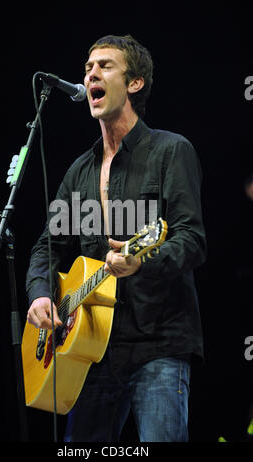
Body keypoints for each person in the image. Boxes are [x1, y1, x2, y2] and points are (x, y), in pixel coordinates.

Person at [26, 34, 207, 442]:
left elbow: (191, 239)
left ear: (135, 83)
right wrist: (39, 293)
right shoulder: (79, 171)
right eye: (88, 68)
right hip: (91, 349)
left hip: (156, 344)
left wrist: (143, 260)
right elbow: (46, 246)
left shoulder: (170, 151)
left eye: (105, 66)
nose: (92, 73)